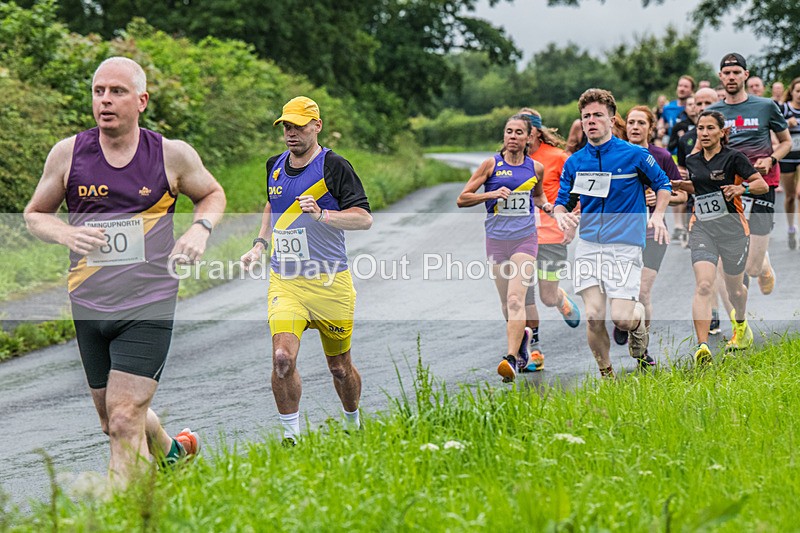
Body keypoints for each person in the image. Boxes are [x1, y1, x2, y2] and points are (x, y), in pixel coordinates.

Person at [24, 57, 225, 486]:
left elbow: (211, 194)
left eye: (117, 91)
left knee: (123, 417)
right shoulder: (68, 154)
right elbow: (35, 214)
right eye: (98, 91)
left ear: (141, 101)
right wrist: (66, 234)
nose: (105, 100)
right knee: (111, 418)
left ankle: (128, 507)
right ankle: (173, 453)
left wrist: (200, 230)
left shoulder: (171, 155)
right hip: (89, 303)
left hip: (148, 300)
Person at [241, 96, 372, 445]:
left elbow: (364, 219)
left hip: (330, 283)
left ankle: (353, 423)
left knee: (339, 367)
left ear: (317, 126)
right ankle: (292, 439)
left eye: (298, 126)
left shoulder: (335, 166)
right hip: (286, 281)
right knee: (282, 359)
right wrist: (259, 244)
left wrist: (323, 215)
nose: (291, 133)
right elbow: (272, 203)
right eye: (286, 126)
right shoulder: (274, 165)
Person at [554, 89, 672, 378]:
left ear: (611, 119)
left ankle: (638, 322)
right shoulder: (575, 162)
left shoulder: (635, 155)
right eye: (586, 117)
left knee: (621, 318)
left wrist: (657, 215)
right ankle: (607, 376)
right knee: (594, 316)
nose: (591, 121)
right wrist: (560, 215)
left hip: (625, 245)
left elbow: (663, 185)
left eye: (598, 115)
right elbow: (563, 201)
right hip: (589, 245)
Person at [457, 114, 551, 382]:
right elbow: (462, 198)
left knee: (515, 299)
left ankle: (510, 358)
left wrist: (546, 206)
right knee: (505, 302)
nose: (513, 136)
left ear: (528, 137)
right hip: (496, 240)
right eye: (509, 131)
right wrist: (491, 194)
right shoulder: (491, 165)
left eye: (519, 132)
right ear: (504, 135)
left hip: (525, 239)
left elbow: (538, 196)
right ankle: (521, 342)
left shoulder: (536, 168)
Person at [671, 111, 767, 363]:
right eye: (700, 128)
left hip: (733, 231)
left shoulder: (734, 158)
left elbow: (762, 185)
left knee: (735, 291)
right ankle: (702, 346)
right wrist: (681, 186)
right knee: (704, 284)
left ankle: (741, 323)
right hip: (702, 228)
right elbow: (700, 186)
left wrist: (742, 188)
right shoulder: (692, 160)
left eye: (710, 128)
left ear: (722, 132)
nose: (704, 133)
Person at [708, 53, 791, 297]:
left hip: (761, 186)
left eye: (736, 72)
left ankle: (763, 264)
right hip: (727, 190)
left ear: (745, 75)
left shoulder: (765, 106)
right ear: (720, 76)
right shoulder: (713, 112)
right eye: (727, 73)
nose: (731, 77)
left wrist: (771, 159)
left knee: (752, 269)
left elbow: (786, 142)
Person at [612, 106, 687, 360]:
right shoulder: (615, 155)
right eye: (631, 122)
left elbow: (682, 195)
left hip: (653, 232)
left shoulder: (662, 156)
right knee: (622, 291)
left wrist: (661, 198)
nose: (635, 127)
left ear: (650, 128)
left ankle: (642, 348)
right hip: (621, 233)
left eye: (641, 123)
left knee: (643, 292)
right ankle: (626, 318)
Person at [517, 108, 581, 371]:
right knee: (523, 295)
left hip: (551, 236)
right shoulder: (509, 160)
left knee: (546, 296)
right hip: (520, 237)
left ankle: (559, 298)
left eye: (524, 129)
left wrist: (572, 223)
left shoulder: (558, 157)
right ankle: (534, 350)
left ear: (535, 131)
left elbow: (578, 192)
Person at [779, 77, 800, 249]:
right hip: (787, 157)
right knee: (790, 196)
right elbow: (774, 128)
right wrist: (787, 124)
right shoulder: (784, 109)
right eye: (798, 91)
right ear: (792, 92)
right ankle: (791, 227)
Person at [660, 75, 696, 145]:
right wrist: (660, 129)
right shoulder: (668, 108)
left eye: (686, 86)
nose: (682, 89)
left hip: (690, 148)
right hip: (672, 148)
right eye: (680, 86)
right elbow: (662, 122)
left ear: (692, 90)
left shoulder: (696, 108)